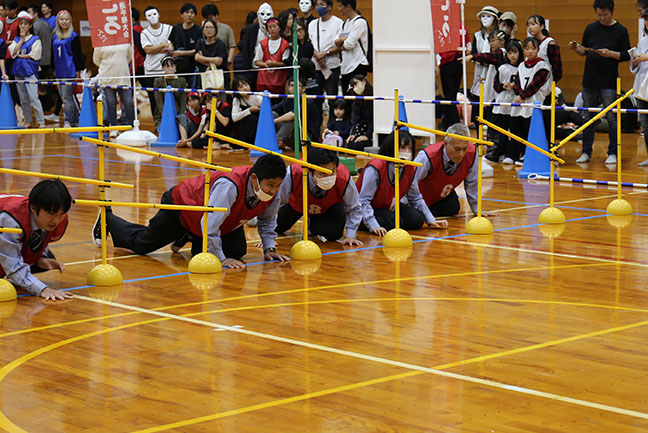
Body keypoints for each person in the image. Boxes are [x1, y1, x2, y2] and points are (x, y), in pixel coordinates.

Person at [94, 155, 290, 269]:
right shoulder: (229, 186)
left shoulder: (272, 192)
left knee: (237, 251)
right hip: (182, 206)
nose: (273, 190)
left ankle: (190, 235)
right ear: (254, 178)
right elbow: (210, 224)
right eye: (270, 185)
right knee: (141, 244)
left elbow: (268, 221)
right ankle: (108, 217)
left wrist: (269, 249)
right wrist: (220, 260)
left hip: (218, 221)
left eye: (278, 185)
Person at [569, 0, 630, 164]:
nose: (602, 18)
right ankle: (586, 152)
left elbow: (626, 55)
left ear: (612, 12)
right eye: (599, 14)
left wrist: (611, 54)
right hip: (589, 80)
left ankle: (613, 153)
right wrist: (576, 48)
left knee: (612, 119)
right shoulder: (590, 28)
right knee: (587, 117)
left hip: (609, 82)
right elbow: (584, 51)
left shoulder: (621, 30)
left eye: (605, 14)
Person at [357, 130, 446, 235]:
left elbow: (415, 197)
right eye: (403, 148)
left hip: (388, 206)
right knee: (395, 221)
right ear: (392, 147)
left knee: (416, 220)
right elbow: (364, 200)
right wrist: (374, 225)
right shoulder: (376, 167)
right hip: (367, 207)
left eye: (410, 148)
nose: (407, 152)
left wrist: (431, 219)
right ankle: (360, 222)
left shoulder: (410, 168)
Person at [0, 179, 74, 301]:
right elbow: (11, 264)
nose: (56, 220)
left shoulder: (57, 220)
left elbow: (39, 234)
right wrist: (43, 289)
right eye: (51, 214)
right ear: (33, 208)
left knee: (45, 256)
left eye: (61, 214)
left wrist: (41, 258)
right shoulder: (10, 219)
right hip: (4, 231)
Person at [277, 147, 363, 245]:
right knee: (277, 227)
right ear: (309, 172)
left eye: (332, 171)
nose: (329, 177)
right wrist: (268, 237)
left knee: (333, 233)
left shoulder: (343, 177)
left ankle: (313, 225)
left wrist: (350, 235)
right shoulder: (293, 173)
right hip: (295, 205)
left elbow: (354, 207)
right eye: (323, 173)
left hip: (328, 207)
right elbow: (278, 202)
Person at [415, 123, 494, 219]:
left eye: (464, 148)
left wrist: (476, 209)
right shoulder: (427, 157)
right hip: (417, 197)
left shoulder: (472, 153)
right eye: (457, 149)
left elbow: (472, 182)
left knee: (452, 207)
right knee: (415, 218)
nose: (461, 154)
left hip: (439, 195)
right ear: (445, 143)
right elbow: (409, 182)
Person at [506, 37, 552, 165]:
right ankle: (515, 154)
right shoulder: (521, 65)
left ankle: (529, 155)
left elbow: (535, 85)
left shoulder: (542, 66)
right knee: (515, 127)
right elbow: (517, 83)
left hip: (534, 102)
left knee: (529, 129)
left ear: (538, 49)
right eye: (527, 49)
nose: (530, 51)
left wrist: (522, 96)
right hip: (521, 102)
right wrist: (519, 93)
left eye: (533, 48)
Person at [489, 40, 523, 163]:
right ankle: (496, 153)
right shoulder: (502, 68)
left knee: (515, 131)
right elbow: (495, 85)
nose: (512, 55)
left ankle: (512, 155)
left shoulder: (522, 68)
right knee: (498, 131)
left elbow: (524, 87)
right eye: (510, 53)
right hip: (501, 103)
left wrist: (515, 86)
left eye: (515, 52)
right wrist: (503, 86)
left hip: (515, 105)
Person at [10, 11, 45, 128]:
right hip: (18, 71)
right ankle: (28, 120)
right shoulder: (16, 39)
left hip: (30, 71)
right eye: (21, 24)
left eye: (25, 24)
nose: (23, 26)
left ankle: (41, 121)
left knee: (33, 98)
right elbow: (13, 53)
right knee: (23, 99)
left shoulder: (35, 39)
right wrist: (21, 40)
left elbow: (35, 55)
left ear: (30, 26)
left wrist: (22, 56)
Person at [140, 6, 173, 124]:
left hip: (167, 71)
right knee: (154, 99)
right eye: (149, 15)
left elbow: (171, 47)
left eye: (154, 14)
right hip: (151, 71)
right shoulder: (144, 33)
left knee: (169, 98)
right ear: (146, 18)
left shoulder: (169, 29)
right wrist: (164, 45)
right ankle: (157, 124)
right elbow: (148, 50)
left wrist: (156, 48)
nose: (152, 17)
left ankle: (170, 123)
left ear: (159, 14)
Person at [52, 10, 83, 128]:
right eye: (62, 19)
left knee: (66, 98)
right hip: (58, 71)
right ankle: (76, 120)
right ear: (58, 21)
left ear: (70, 21)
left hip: (69, 71)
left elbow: (78, 55)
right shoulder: (55, 36)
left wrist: (78, 71)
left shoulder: (73, 36)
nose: (64, 22)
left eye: (66, 19)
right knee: (65, 97)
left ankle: (68, 121)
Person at [93, 43, 135, 131]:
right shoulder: (100, 43)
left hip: (123, 76)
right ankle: (113, 127)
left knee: (129, 103)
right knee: (111, 103)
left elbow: (129, 57)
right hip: (107, 77)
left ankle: (131, 127)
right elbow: (96, 60)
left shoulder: (125, 42)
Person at [309, 0, 343, 106]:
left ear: (329, 7)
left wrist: (325, 53)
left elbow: (340, 45)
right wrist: (317, 54)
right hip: (316, 66)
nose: (319, 7)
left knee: (332, 98)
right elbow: (310, 42)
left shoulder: (339, 23)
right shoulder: (313, 24)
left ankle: (332, 117)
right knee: (315, 99)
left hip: (332, 66)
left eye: (322, 4)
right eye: (317, 5)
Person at [334, 0, 370, 93]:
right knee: (347, 98)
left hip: (358, 65)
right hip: (345, 67)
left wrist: (342, 42)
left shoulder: (359, 22)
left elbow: (348, 45)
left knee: (357, 97)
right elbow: (335, 42)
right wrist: (343, 39)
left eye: (340, 6)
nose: (338, 9)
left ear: (348, 7)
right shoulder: (344, 23)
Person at [240, 3, 275, 90]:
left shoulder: (275, 30)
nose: (265, 17)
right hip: (254, 67)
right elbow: (246, 48)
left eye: (268, 14)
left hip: (270, 68)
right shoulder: (251, 29)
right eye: (262, 14)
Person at [254, 17, 291, 95]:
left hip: (279, 82)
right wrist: (265, 64)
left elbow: (286, 63)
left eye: (274, 26)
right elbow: (257, 61)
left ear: (280, 28)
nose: (272, 29)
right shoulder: (262, 44)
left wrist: (274, 64)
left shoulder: (285, 44)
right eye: (270, 27)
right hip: (263, 82)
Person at [169, 3, 202, 87]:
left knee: (192, 90)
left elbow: (198, 50)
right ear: (181, 15)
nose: (189, 15)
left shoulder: (199, 30)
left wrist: (182, 53)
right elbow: (171, 42)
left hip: (192, 67)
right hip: (178, 67)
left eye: (192, 13)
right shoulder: (176, 28)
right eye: (187, 12)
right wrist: (170, 47)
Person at [631, 0, 648, 166]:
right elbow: (636, 67)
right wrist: (635, 61)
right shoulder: (643, 40)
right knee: (645, 125)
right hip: (641, 87)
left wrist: (646, 57)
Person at [471, 6, 499, 99]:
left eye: (488, 16)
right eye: (483, 16)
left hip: (494, 69)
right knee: (478, 97)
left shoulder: (499, 35)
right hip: (480, 70)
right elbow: (473, 54)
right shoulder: (477, 35)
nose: (485, 19)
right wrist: (482, 62)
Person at [153, 56, 187, 129]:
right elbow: (158, 99)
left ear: (175, 67)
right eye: (167, 66)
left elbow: (183, 100)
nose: (170, 68)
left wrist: (181, 116)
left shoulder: (182, 81)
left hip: (177, 112)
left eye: (172, 66)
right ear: (163, 68)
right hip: (162, 114)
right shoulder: (158, 81)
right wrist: (163, 112)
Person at [200, 4, 236, 71]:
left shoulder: (226, 29)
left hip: (222, 63)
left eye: (211, 17)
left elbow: (232, 46)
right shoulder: (203, 29)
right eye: (207, 18)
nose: (209, 20)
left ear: (217, 15)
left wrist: (229, 61)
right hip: (206, 64)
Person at [194, 19, 228, 89]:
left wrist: (202, 59)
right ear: (203, 30)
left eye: (211, 27)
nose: (208, 30)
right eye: (206, 27)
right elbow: (196, 58)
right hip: (202, 76)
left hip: (218, 78)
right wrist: (213, 60)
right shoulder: (200, 42)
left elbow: (218, 62)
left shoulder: (220, 44)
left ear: (215, 30)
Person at [345, 74, 373, 150]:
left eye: (356, 84)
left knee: (357, 146)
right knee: (349, 144)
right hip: (359, 132)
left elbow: (373, 121)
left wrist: (367, 136)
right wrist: (353, 134)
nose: (355, 88)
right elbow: (355, 122)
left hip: (371, 134)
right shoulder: (356, 103)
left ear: (364, 82)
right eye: (353, 86)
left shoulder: (373, 98)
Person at [231, 76, 262, 143]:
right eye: (241, 87)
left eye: (246, 85)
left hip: (258, 126)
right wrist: (249, 110)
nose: (245, 88)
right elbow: (234, 118)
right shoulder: (236, 100)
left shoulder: (257, 96)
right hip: (243, 129)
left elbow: (266, 112)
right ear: (236, 90)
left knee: (252, 118)